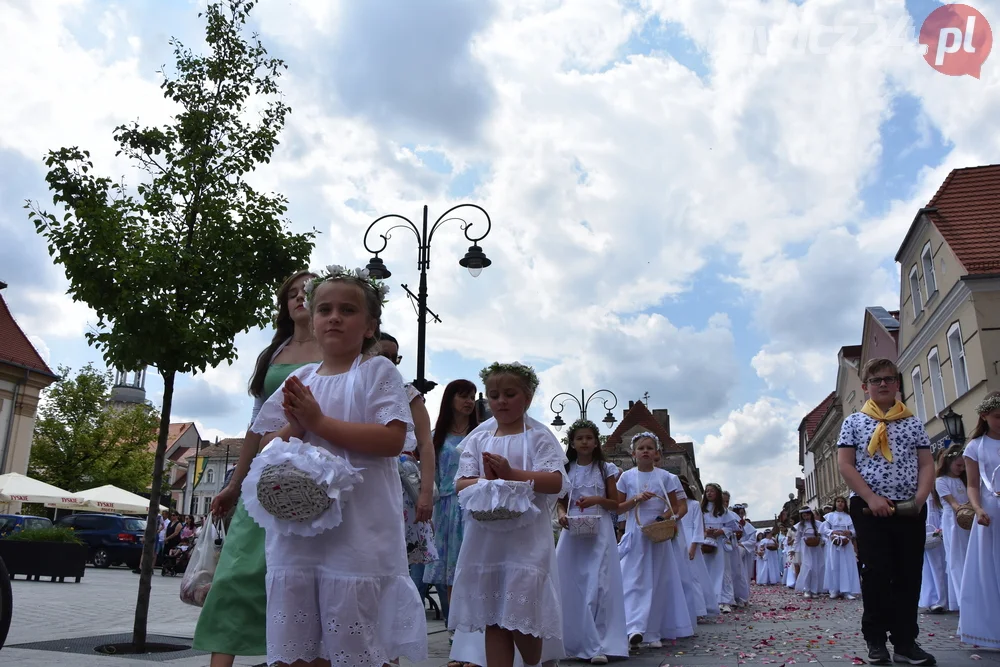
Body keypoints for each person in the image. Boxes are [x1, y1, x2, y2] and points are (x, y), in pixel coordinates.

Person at [244, 265, 427, 666]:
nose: (335, 317)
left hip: (359, 534)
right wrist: (295, 425)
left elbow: (392, 439)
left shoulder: (377, 371)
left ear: (369, 326)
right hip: (299, 536)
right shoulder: (303, 378)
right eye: (325, 309)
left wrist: (319, 423)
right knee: (299, 647)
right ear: (312, 318)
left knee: (357, 644)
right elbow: (267, 445)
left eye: (347, 309)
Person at [194, 269, 322, 666]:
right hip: (263, 476)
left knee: (301, 582)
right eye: (293, 293)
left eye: (308, 292)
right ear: (285, 304)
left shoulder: (334, 349)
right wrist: (234, 483)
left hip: (313, 474)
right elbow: (255, 424)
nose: (300, 297)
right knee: (235, 573)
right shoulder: (274, 353)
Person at [448, 362, 567, 667]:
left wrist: (511, 473)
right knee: (493, 617)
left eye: (510, 394)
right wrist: (488, 481)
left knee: (522, 614)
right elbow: (461, 482)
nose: (500, 401)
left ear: (527, 398)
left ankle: (532, 663)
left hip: (525, 541)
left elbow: (555, 480)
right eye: (494, 395)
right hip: (486, 538)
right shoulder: (479, 439)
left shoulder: (539, 436)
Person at [837, 358, 935, 666]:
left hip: (909, 506)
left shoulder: (912, 422)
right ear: (865, 387)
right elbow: (846, 464)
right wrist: (870, 497)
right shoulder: (854, 422)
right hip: (868, 507)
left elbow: (926, 464)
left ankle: (906, 642)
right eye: (876, 380)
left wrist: (919, 500)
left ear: (897, 385)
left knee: (908, 574)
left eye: (889, 379)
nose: (883, 384)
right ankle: (876, 640)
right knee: (877, 572)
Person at [554, 418, 628, 664]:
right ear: (572, 443)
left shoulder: (606, 469)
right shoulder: (567, 469)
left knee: (598, 582)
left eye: (589, 437)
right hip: (573, 531)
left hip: (600, 530)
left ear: (596, 441)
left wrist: (596, 500)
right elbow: (561, 502)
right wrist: (563, 515)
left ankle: (599, 643)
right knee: (569, 581)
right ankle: (571, 640)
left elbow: (615, 503)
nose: (585, 442)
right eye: (579, 438)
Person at [617, 432, 693, 647]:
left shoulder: (667, 477)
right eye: (641, 448)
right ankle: (632, 627)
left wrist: (663, 518)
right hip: (635, 533)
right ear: (633, 453)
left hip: (657, 535)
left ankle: (652, 631)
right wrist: (636, 499)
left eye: (650, 448)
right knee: (632, 580)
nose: (645, 451)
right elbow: (619, 507)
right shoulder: (627, 477)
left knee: (657, 580)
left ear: (657, 453)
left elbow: (676, 507)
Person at [377, 334, 438, 600]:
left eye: (395, 357)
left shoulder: (407, 392)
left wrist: (425, 493)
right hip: (366, 475)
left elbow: (426, 444)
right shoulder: (354, 382)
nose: (390, 363)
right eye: (384, 356)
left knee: (397, 560)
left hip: (400, 480)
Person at [424, 377, 480, 635]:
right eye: (463, 396)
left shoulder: (481, 435)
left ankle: (477, 627)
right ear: (450, 400)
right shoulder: (436, 437)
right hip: (446, 508)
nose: (469, 401)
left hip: (475, 506)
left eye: (472, 396)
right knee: (450, 572)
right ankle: (455, 628)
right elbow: (431, 477)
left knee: (475, 567)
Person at [958, 391, 1000, 649]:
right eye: (998, 417)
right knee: (990, 569)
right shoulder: (975, 447)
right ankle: (990, 628)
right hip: (991, 512)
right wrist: (977, 508)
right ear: (985, 416)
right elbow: (972, 485)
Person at [934, 444, 970, 607]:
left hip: (968, 519)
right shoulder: (941, 481)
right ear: (949, 463)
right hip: (953, 521)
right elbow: (953, 503)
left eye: (963, 466)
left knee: (969, 557)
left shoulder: (963, 480)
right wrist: (966, 510)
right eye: (958, 465)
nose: (961, 469)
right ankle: (962, 599)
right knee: (957, 559)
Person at [919, 448, 950, 614]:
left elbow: (941, 509)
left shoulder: (935, 486)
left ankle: (946, 598)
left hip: (938, 527)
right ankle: (934, 599)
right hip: (924, 529)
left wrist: (943, 527)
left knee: (943, 564)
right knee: (930, 566)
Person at [701, 483, 734, 613]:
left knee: (721, 569)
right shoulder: (701, 509)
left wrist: (721, 531)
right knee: (706, 569)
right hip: (705, 542)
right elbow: (696, 525)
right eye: (707, 491)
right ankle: (708, 600)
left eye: (712, 491)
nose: (709, 493)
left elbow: (732, 526)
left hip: (719, 543)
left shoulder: (723, 511)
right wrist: (705, 532)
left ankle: (724, 600)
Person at [822, 496, 860, 599]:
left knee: (846, 565)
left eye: (842, 501)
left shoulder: (849, 517)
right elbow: (824, 529)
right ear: (835, 503)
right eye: (838, 501)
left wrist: (850, 532)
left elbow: (855, 531)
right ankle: (834, 589)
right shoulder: (829, 516)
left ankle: (847, 590)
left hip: (846, 544)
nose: (840, 503)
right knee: (834, 565)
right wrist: (832, 532)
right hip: (834, 544)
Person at [793, 507, 824, 599]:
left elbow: (823, 535)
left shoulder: (818, 524)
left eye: (808, 514)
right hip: (805, 548)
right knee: (808, 567)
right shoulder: (799, 526)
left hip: (816, 548)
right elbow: (797, 538)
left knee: (816, 568)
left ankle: (814, 590)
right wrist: (795, 550)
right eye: (804, 515)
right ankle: (806, 589)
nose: (806, 516)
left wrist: (821, 540)